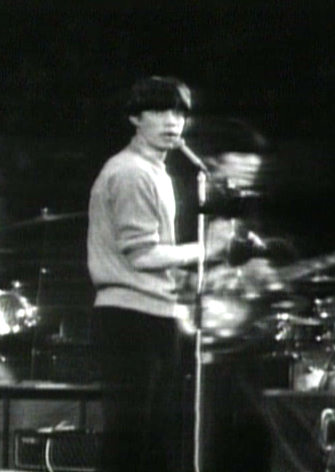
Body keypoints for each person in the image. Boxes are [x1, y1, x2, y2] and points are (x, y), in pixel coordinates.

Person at [87, 76, 232, 472]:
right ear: (135, 117)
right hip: (131, 318)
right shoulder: (131, 172)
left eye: (179, 113)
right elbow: (143, 256)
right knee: (131, 437)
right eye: (159, 111)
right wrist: (208, 249)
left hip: (152, 313)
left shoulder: (155, 171)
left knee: (149, 438)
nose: (172, 122)